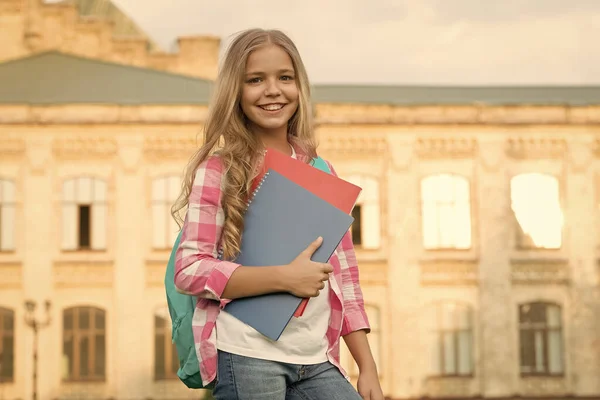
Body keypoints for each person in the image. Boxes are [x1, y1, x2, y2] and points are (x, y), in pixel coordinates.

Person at [171, 28, 384, 400]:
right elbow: (189, 269)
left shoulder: (321, 170)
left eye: (284, 77)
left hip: (317, 358)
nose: (273, 90)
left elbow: (346, 278)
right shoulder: (219, 170)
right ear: (235, 92)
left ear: (299, 86)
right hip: (247, 354)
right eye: (255, 80)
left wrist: (367, 366)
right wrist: (284, 278)